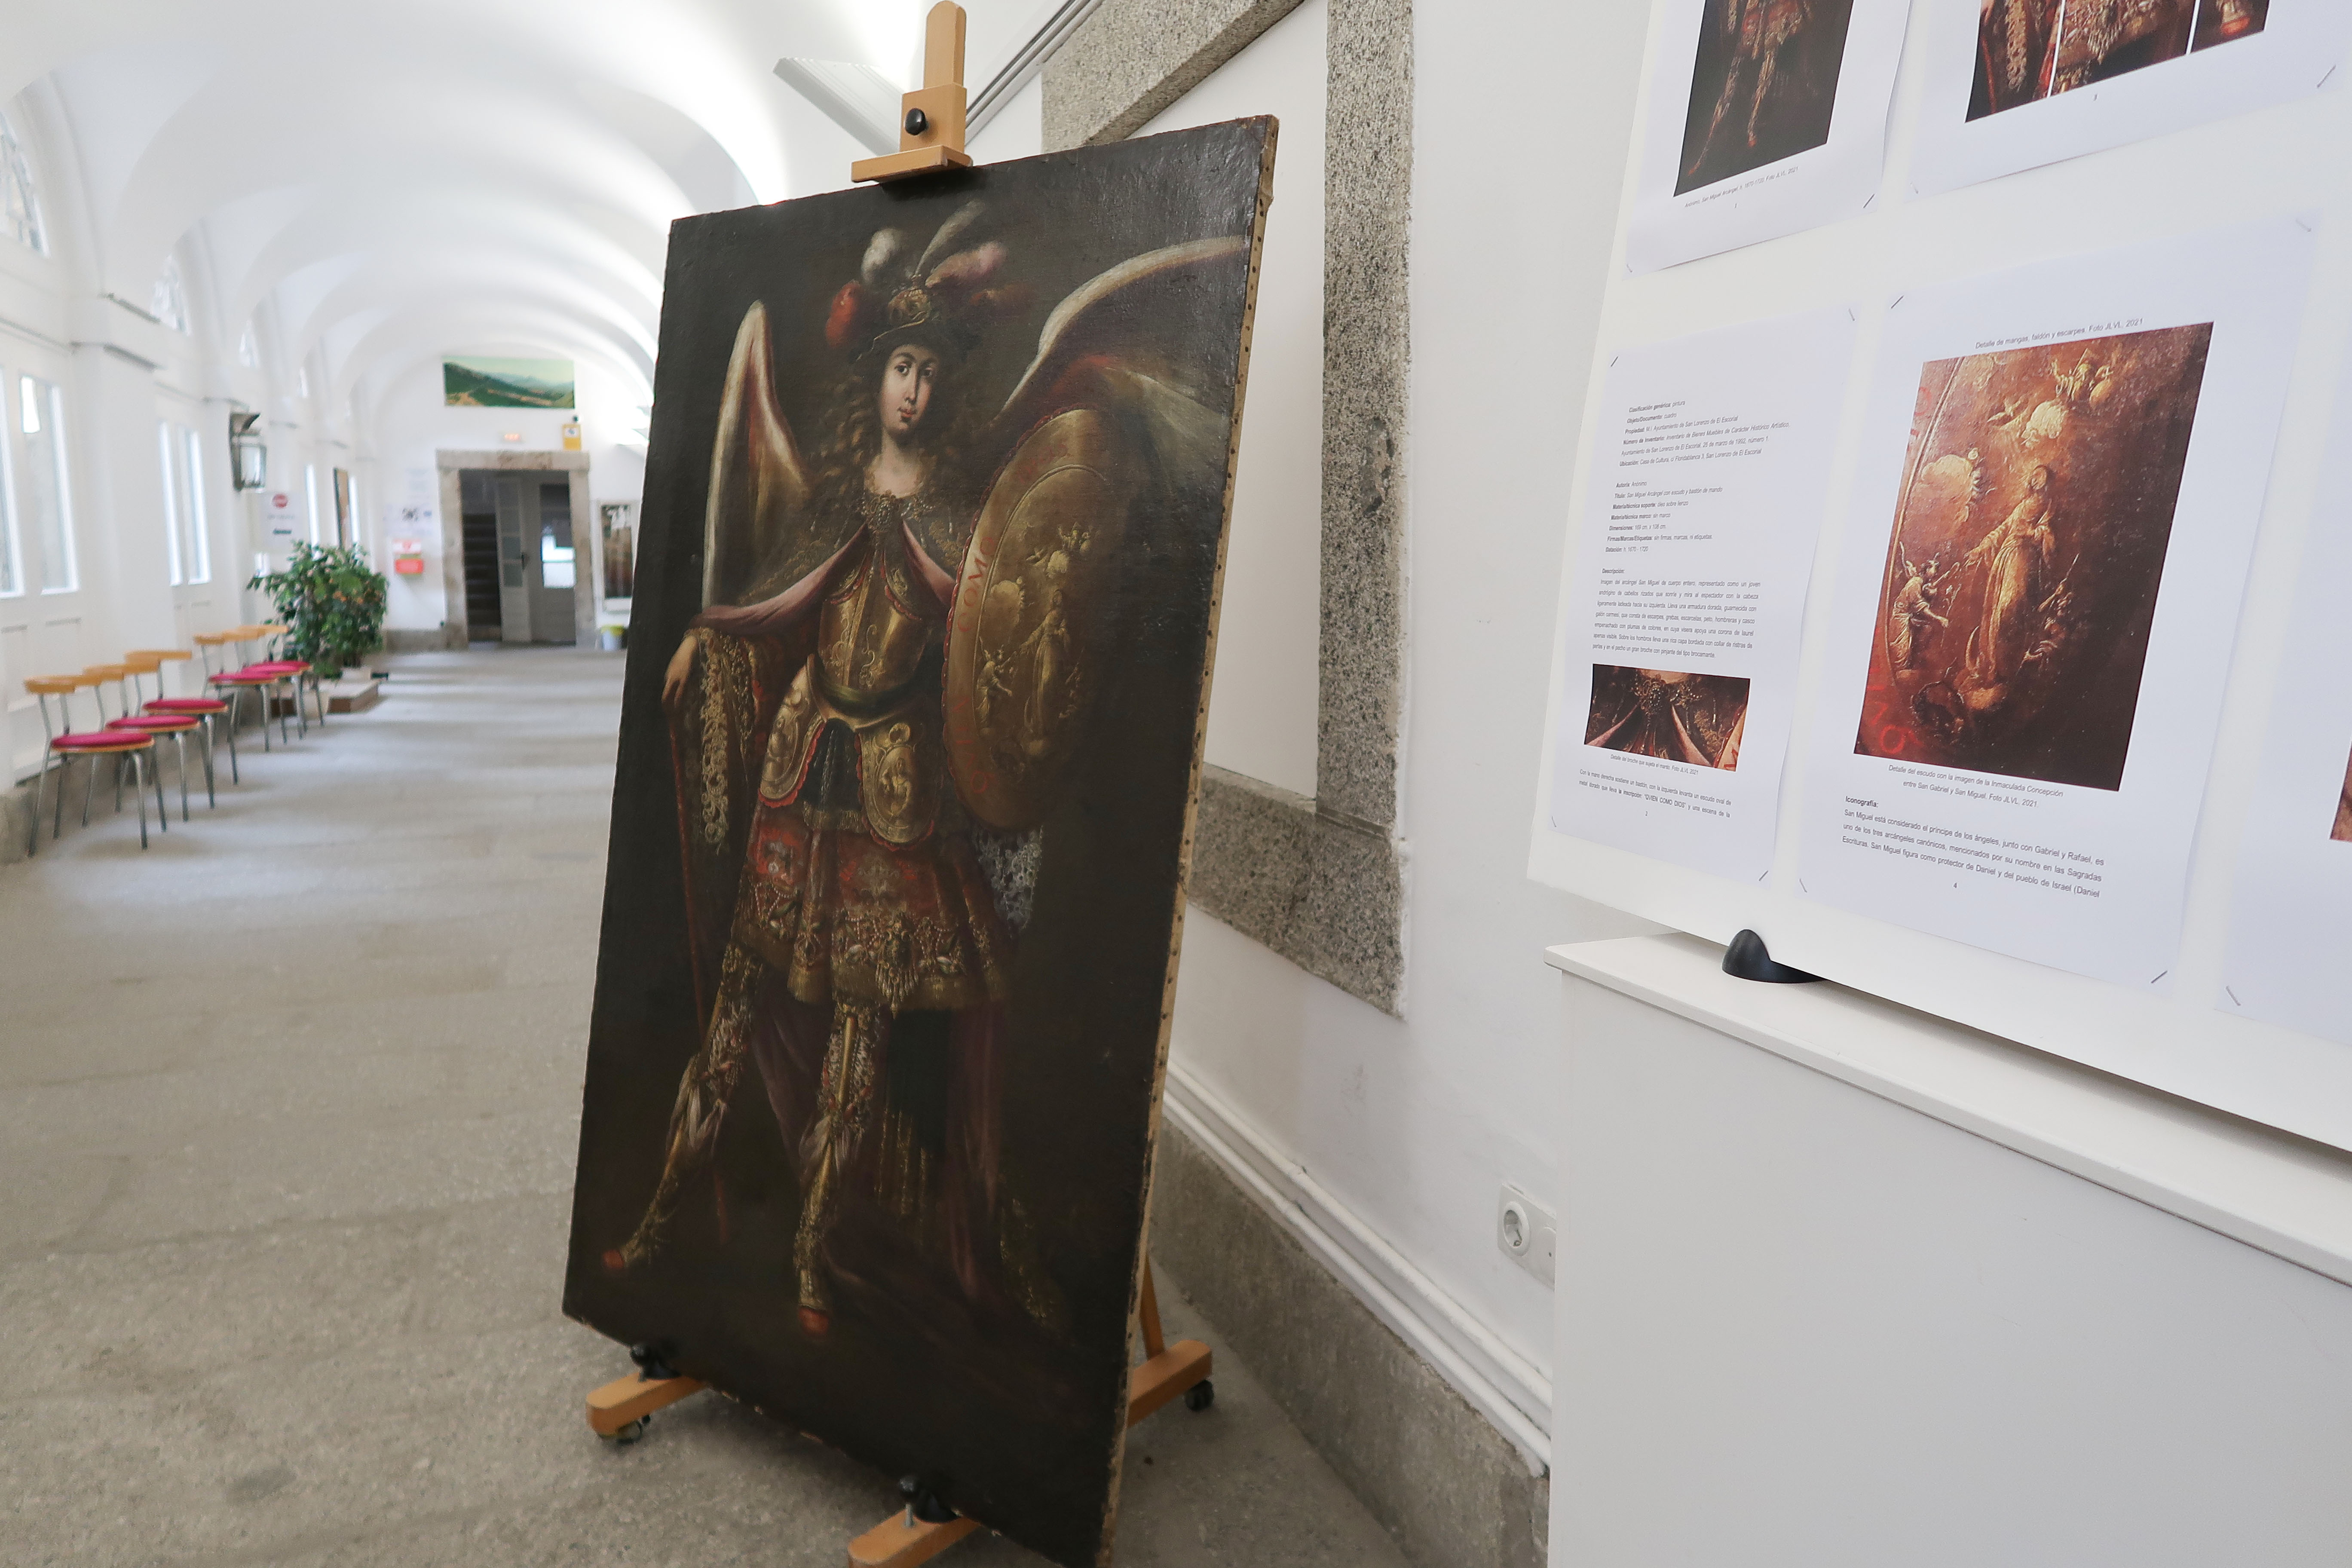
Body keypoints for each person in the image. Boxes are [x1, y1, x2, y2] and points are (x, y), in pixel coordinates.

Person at [606, 236, 1015, 1341]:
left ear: (944, 388)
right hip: (803, 769)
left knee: (857, 1042)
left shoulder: (967, 519)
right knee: (738, 1007)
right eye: (900, 370)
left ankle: (810, 1258)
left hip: (893, 797)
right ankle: (657, 1220)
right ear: (875, 377)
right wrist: (705, 634)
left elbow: (991, 648)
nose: (914, 390)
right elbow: (775, 597)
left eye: (931, 374)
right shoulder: (838, 492)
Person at [1963, 465, 2057, 693]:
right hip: (2005, 560)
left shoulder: (2049, 506)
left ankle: (2008, 668)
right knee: (1996, 611)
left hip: (2024, 559)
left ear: (2046, 482)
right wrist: (1980, 548)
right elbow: (2003, 529)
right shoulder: (2022, 506)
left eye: (2040, 476)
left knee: (2012, 607)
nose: (2035, 479)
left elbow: (2047, 535)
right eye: (2034, 475)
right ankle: (1992, 669)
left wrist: (2033, 533)